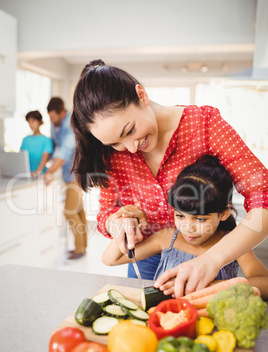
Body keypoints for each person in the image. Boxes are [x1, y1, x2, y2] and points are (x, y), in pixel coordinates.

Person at [71, 59, 268, 294]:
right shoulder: (113, 155)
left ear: (141, 95)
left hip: (212, 255)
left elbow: (262, 196)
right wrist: (118, 222)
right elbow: (106, 213)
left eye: (130, 130)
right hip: (144, 259)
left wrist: (212, 259)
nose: (131, 148)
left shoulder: (204, 125)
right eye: (115, 143)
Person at [102, 155, 268, 299]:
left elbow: (264, 283)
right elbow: (110, 260)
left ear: (224, 214)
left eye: (200, 219)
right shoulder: (167, 238)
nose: (188, 228)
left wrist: (213, 286)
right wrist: (126, 218)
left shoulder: (233, 243)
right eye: (180, 216)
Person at [44, 97, 88, 262]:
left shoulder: (70, 126)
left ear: (62, 113)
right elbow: (54, 148)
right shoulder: (55, 125)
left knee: (69, 211)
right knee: (78, 210)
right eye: (49, 117)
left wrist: (49, 172)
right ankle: (83, 246)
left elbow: (63, 153)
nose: (51, 120)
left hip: (76, 174)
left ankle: (79, 248)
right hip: (69, 175)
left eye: (53, 117)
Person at [20, 110, 53, 176]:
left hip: (41, 176)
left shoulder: (46, 140)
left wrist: (37, 172)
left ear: (39, 122)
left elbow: (44, 159)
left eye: (33, 121)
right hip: (27, 175)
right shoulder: (25, 140)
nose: (31, 124)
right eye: (29, 122)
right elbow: (21, 158)